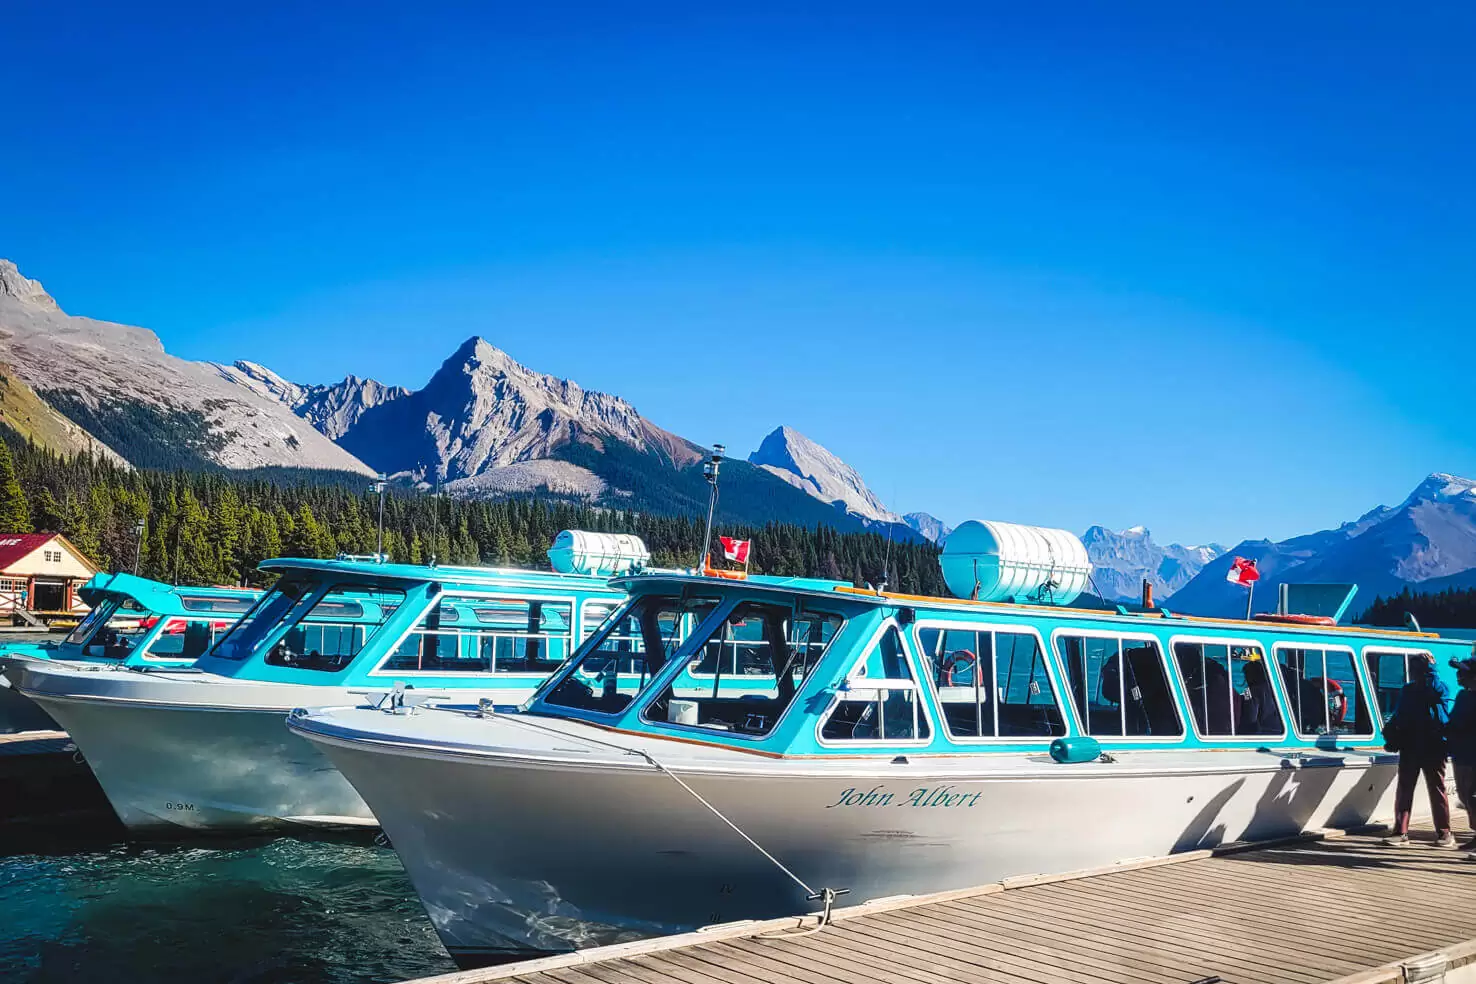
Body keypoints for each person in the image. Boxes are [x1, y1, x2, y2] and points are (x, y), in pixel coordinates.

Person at [1382, 653, 1454, 847]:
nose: (1414, 674)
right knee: (1405, 789)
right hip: (1410, 744)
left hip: (1433, 745)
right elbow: (1399, 714)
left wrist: (1431, 668)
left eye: (1418, 670)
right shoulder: (1408, 690)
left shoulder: (1439, 688)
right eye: (1413, 670)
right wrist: (1391, 734)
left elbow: (1436, 689)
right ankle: (1401, 831)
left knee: (1437, 788)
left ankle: (1444, 832)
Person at [1447, 656, 1476, 852]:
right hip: (1461, 752)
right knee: (1465, 795)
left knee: (1473, 795)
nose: (1459, 676)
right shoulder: (1462, 696)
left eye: (1463, 672)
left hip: (1472, 754)